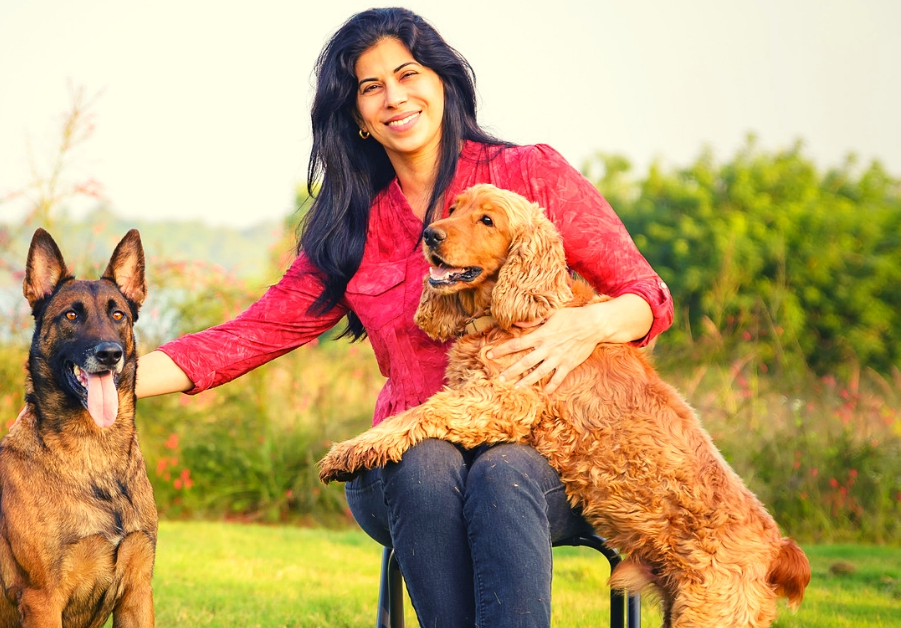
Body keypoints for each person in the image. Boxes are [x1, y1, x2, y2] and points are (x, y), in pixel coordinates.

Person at [135, 7, 672, 628]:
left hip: (541, 459)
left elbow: (644, 296)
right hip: (408, 464)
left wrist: (587, 324)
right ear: (358, 116)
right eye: (371, 87)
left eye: (407, 74)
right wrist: (106, 382)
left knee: (504, 472)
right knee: (426, 461)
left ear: (442, 81)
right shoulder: (353, 223)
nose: (394, 97)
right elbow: (248, 335)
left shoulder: (528, 174)